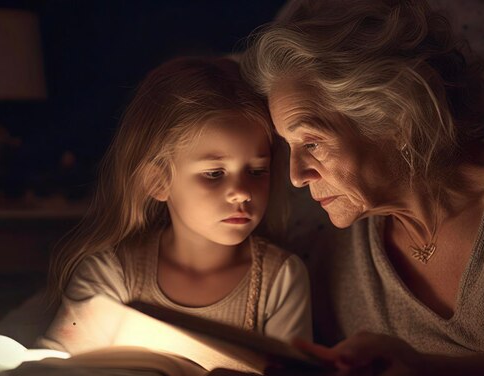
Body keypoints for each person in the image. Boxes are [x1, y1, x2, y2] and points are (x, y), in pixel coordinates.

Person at [241, 0, 484, 376]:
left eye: (313, 142)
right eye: (289, 147)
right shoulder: (337, 252)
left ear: (397, 120)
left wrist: (423, 372)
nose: (296, 176)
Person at [37, 57, 312, 352]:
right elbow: (55, 371)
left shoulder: (280, 279)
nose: (242, 193)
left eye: (257, 171)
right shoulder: (111, 275)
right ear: (158, 182)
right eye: (214, 174)